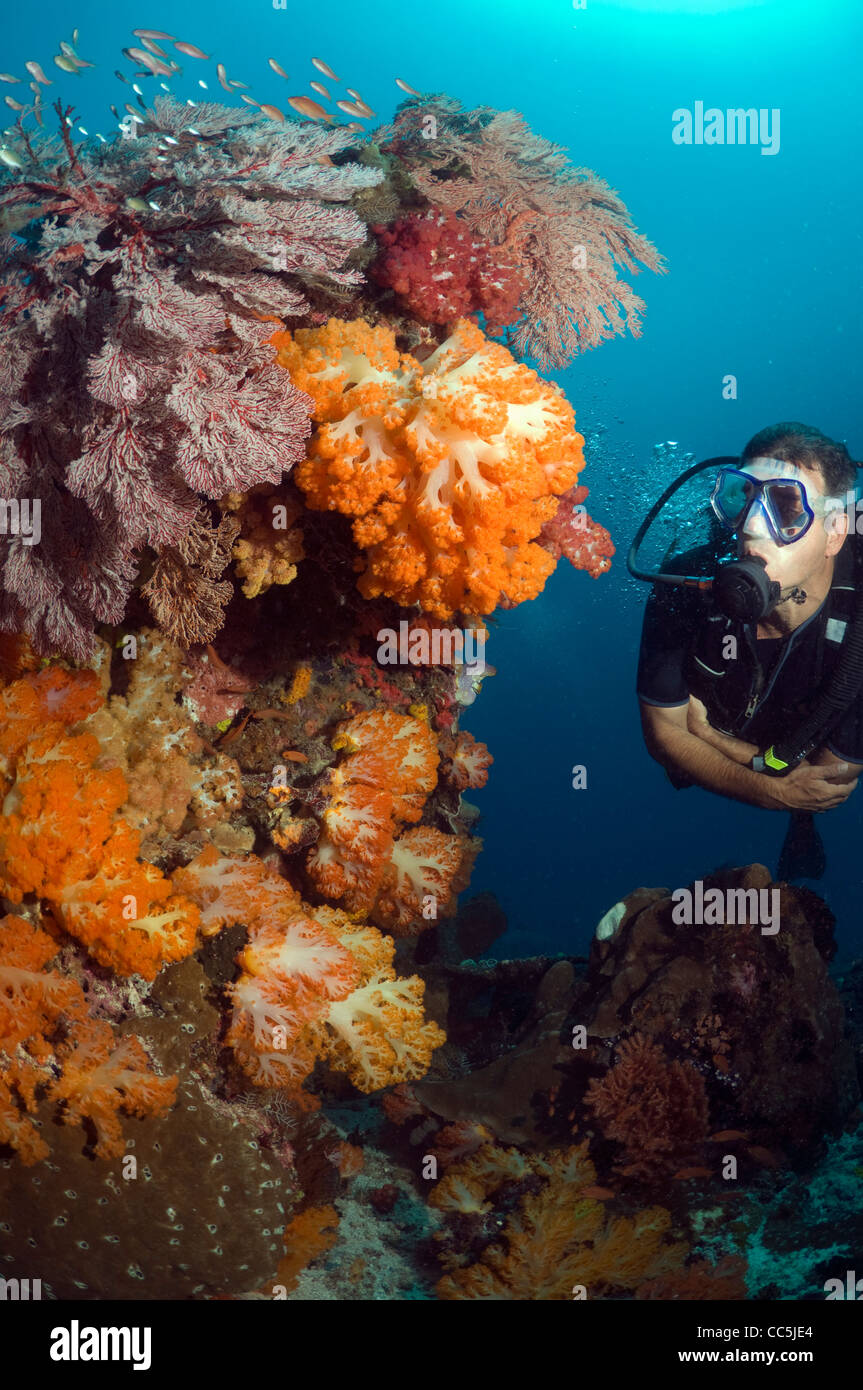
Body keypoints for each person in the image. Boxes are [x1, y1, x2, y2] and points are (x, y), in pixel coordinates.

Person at [637, 424, 862, 873]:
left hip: (797, 726)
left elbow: (831, 780)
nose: (753, 527)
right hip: (743, 723)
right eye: (742, 497)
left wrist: (705, 738)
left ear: (836, 532)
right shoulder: (684, 584)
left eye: (785, 506)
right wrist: (773, 789)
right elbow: (663, 734)